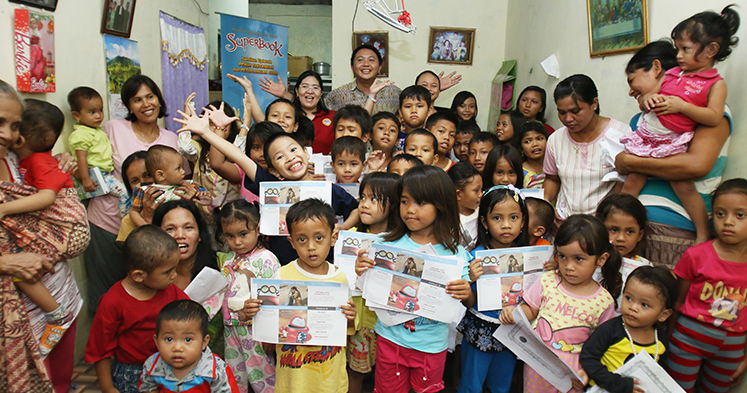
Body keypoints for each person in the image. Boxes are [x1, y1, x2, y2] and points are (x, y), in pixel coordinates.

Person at [619, 6, 739, 245]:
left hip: (675, 227)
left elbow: (695, 165)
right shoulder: (669, 83)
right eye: (678, 50)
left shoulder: (711, 91)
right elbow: (621, 164)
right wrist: (647, 101)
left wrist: (633, 161)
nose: (680, 56)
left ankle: (702, 232)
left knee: (681, 185)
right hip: (631, 231)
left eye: (685, 49)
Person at [175, 109, 359, 264]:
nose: (289, 157)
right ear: (275, 171)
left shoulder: (328, 190)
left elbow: (356, 210)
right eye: (279, 157)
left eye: (293, 149)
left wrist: (342, 228)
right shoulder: (270, 187)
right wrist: (207, 132)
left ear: (305, 152)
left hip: (325, 265)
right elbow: (239, 157)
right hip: (283, 265)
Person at [355, 166, 472, 393]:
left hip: (431, 345)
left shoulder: (455, 253)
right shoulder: (384, 244)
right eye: (405, 201)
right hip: (390, 340)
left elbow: (468, 301)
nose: (410, 210)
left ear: (441, 204)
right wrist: (361, 269)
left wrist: (466, 291)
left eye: (420, 203)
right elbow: (365, 286)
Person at [0, 80, 82, 393]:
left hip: (57, 289)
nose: (8, 134)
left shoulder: (13, 158)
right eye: (0, 122)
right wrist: (5, 262)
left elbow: (46, 195)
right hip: (18, 307)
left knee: (59, 379)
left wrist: (62, 164)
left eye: (15, 125)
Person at [85, 74, 182, 313]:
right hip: (107, 223)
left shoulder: (171, 139)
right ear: (128, 105)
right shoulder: (114, 128)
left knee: (143, 295)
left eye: (150, 97)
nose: (146, 104)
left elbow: (177, 179)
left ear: (159, 100)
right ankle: (106, 348)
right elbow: (90, 159)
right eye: (137, 99)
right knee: (106, 294)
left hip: (150, 230)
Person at [240, 199, 357, 393]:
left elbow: (349, 328)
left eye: (319, 237)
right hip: (293, 380)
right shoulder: (282, 276)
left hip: (329, 380)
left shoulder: (339, 277)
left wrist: (351, 317)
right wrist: (250, 312)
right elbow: (265, 322)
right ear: (291, 241)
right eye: (302, 239)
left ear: (333, 237)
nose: (311, 246)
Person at [500, 215, 622, 393]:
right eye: (562, 256)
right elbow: (531, 309)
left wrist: (589, 372)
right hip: (539, 364)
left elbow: (602, 344)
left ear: (601, 260)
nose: (569, 266)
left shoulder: (604, 301)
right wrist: (514, 312)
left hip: (574, 373)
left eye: (579, 259)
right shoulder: (548, 281)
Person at [84, 225, 189, 393]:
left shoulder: (170, 289)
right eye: (168, 271)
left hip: (169, 367)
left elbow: (189, 313)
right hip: (132, 374)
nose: (174, 275)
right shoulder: (112, 302)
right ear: (139, 275)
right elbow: (101, 350)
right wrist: (107, 387)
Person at [669, 179, 747, 392]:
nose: (728, 222)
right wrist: (669, 341)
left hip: (731, 349)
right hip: (687, 340)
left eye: (740, 215)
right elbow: (678, 302)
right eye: (720, 214)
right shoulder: (696, 255)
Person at [458, 186, 529, 393]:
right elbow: (469, 302)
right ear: (484, 223)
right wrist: (470, 279)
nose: (506, 225)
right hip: (480, 326)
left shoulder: (530, 257)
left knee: (501, 384)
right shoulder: (476, 258)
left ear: (523, 221)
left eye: (514, 217)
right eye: (497, 218)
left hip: (510, 329)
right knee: (472, 383)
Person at [543, 74, 631, 219]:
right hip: (564, 223)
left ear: (594, 103)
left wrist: (608, 217)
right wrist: (546, 206)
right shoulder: (555, 140)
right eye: (561, 112)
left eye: (575, 111)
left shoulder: (621, 134)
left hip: (603, 224)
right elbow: (553, 179)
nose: (568, 119)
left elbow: (626, 182)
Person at [580, 266, 677, 393]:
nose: (633, 307)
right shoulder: (610, 330)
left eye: (644, 304)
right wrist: (617, 383)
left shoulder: (661, 339)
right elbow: (588, 358)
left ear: (663, 314)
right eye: (628, 298)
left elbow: (659, 372)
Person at [348, 172, 399, 393]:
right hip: (359, 321)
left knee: (388, 375)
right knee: (355, 372)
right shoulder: (349, 236)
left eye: (374, 199)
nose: (365, 204)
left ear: (394, 205)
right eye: (362, 197)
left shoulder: (401, 243)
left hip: (390, 324)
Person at [139, 300, 240, 393]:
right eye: (169, 339)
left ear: (204, 342)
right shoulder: (153, 365)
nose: (177, 348)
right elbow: (147, 388)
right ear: (157, 342)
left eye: (188, 340)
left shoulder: (216, 370)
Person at [67, 86, 129, 215]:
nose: (98, 115)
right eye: (92, 112)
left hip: (105, 175)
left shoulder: (96, 130)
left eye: (100, 110)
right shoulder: (81, 134)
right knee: (125, 193)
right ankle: (126, 219)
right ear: (76, 115)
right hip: (95, 175)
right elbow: (81, 158)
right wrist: (86, 179)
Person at [178, 99, 241, 217]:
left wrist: (245, 124)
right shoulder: (200, 149)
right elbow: (184, 148)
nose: (217, 127)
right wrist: (188, 117)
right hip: (204, 214)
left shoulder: (235, 149)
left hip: (232, 215)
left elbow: (241, 148)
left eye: (223, 124)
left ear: (232, 128)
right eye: (211, 123)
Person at [129, 145, 211, 227]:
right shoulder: (146, 191)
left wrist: (205, 199)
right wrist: (147, 227)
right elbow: (134, 211)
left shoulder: (189, 186)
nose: (183, 172)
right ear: (160, 175)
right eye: (178, 168)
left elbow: (204, 198)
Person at [152, 200, 220, 290]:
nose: (180, 235)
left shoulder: (225, 264)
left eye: (188, 228)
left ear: (199, 234)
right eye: (170, 229)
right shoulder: (149, 275)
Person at [324, 44, 401, 115]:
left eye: (371, 60)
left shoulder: (394, 93)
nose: (366, 64)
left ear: (379, 68)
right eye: (360, 60)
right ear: (352, 68)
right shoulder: (337, 95)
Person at [117, 151, 153, 241]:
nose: (142, 183)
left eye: (148, 175)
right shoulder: (128, 221)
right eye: (135, 181)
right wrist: (147, 219)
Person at [448, 162, 483, 250]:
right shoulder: (447, 219)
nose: (481, 194)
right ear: (458, 195)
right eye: (476, 190)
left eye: (481, 189)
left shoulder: (482, 213)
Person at [514, 121, 548, 189]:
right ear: (521, 149)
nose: (535, 144)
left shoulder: (555, 167)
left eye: (539, 139)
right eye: (528, 141)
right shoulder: (518, 172)